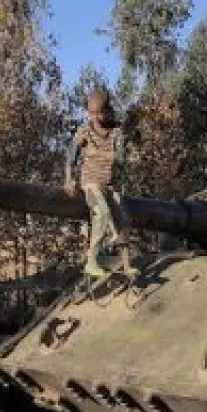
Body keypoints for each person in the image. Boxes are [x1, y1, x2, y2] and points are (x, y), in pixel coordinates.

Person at [64, 89, 137, 278]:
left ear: (108, 110)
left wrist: (99, 153)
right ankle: (91, 261)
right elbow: (71, 155)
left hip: (109, 184)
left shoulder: (116, 133)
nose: (96, 118)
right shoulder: (85, 131)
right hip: (91, 182)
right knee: (103, 214)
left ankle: (127, 264)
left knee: (122, 221)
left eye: (99, 113)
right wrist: (69, 179)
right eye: (92, 114)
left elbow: (120, 159)